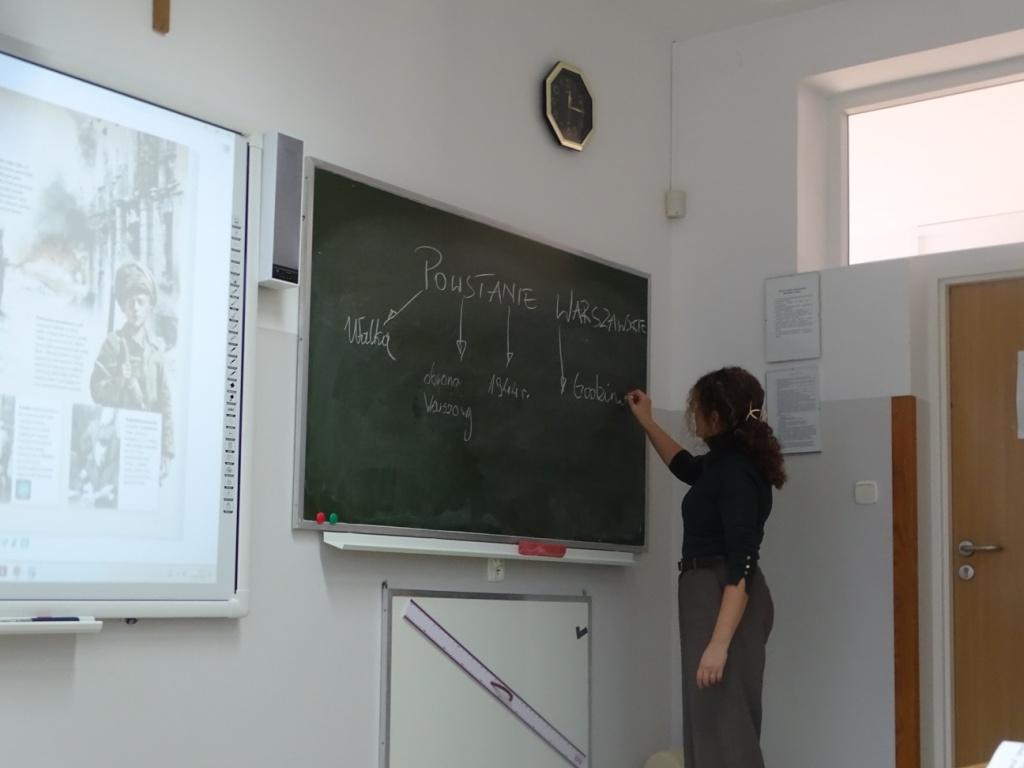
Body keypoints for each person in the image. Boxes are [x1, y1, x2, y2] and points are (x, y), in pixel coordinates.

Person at [627, 366, 786, 768]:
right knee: (708, 717)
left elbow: (742, 562)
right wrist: (648, 422)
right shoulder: (724, 463)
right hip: (707, 592)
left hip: (724, 596)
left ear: (716, 415)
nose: (692, 415)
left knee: (726, 723)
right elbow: (685, 467)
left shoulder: (736, 472)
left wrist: (718, 644)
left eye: (697, 408)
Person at [90, 261, 173, 477]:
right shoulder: (113, 344)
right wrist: (118, 381)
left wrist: (166, 450)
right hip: (119, 442)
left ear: (149, 306)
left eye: (140, 302)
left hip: (148, 443)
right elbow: (96, 390)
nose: (135, 308)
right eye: (130, 302)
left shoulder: (156, 353)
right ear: (122, 307)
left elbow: (165, 404)